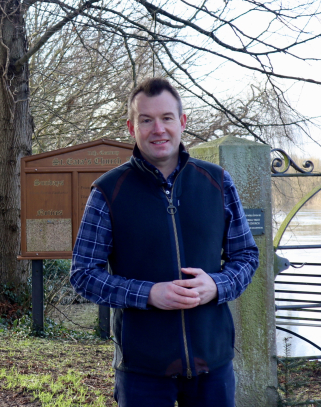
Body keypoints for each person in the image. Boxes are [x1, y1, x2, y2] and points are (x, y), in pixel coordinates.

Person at [69, 77, 259, 407]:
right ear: (132, 127)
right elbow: (83, 274)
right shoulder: (108, 192)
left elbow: (246, 256)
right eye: (146, 120)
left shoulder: (217, 182)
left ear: (182, 122)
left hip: (212, 367)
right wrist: (148, 294)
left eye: (167, 118)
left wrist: (216, 285)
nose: (158, 129)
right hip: (143, 371)